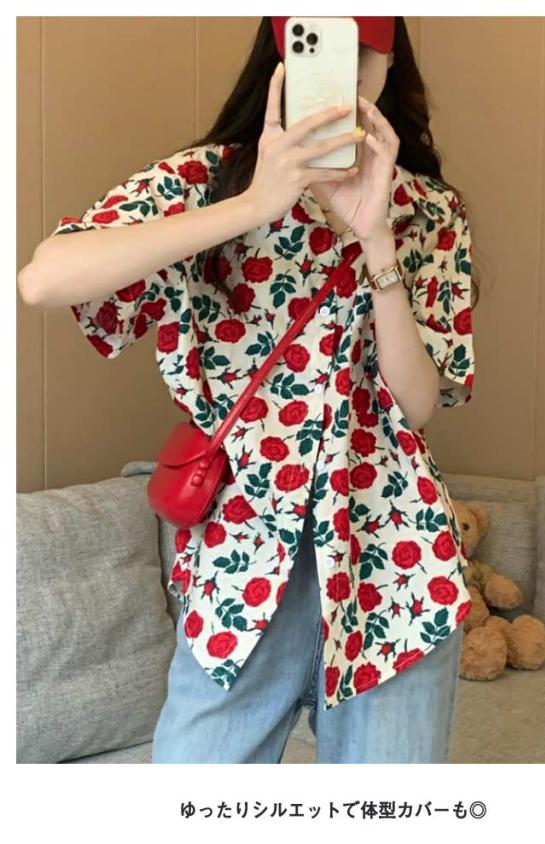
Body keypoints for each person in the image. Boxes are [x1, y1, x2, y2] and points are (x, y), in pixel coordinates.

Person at [18, 16, 478, 764]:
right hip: (244, 553)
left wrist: (378, 244)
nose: (342, 74)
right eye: (318, 45)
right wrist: (254, 206)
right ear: (282, 56)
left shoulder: (427, 210)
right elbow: (44, 279)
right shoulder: (207, 181)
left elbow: (418, 406)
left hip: (395, 557)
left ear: (391, 63)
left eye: (361, 52)